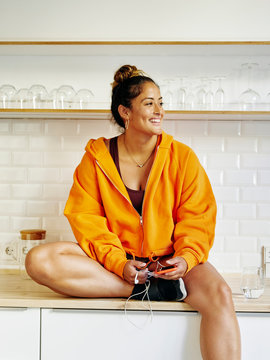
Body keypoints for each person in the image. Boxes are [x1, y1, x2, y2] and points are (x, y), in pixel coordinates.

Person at [26, 64, 241, 359]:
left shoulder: (182, 158)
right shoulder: (96, 160)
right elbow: (86, 221)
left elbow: (198, 217)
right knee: (39, 260)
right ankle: (141, 288)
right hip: (121, 264)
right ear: (125, 112)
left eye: (161, 103)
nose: (159, 111)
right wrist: (118, 263)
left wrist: (186, 258)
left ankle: (159, 285)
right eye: (149, 103)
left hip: (172, 262)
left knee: (221, 295)